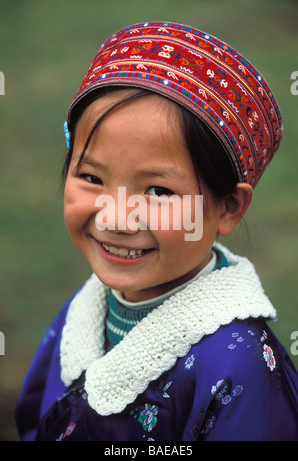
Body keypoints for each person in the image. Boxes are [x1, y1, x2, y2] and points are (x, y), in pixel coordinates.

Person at [16, 22, 297, 441]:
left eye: (158, 190)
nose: (116, 217)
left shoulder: (239, 365)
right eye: (92, 178)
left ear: (228, 207)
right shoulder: (84, 314)